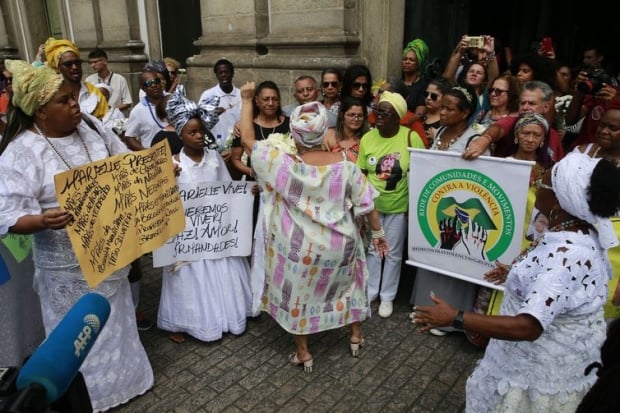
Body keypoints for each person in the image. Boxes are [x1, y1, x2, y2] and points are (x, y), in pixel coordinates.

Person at [413, 151, 620, 412]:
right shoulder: (574, 231)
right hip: (534, 358)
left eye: (543, 183)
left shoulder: (567, 256)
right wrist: (514, 272)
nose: (536, 186)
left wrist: (455, 317)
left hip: (534, 371)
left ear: (560, 200)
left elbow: (528, 326)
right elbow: (555, 282)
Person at [0, 60, 153, 411]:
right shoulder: (21, 152)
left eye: (73, 97)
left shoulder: (92, 127)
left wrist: (154, 167)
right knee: (78, 334)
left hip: (111, 251)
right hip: (67, 268)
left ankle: (129, 381)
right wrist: (41, 220)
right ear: (40, 112)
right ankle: (89, 398)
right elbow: (7, 215)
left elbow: (124, 161)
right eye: (64, 101)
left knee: (116, 321)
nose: (75, 106)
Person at [239, 82, 388, 372]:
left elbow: (246, 140)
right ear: (324, 131)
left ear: (294, 133)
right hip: (341, 245)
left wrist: (246, 100)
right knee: (351, 285)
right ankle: (355, 336)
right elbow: (367, 204)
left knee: (300, 296)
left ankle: (304, 353)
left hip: (300, 250)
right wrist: (379, 234)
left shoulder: (283, 164)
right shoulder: (347, 166)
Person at [156, 89, 253, 344]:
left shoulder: (213, 159)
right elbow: (164, 202)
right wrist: (168, 180)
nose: (199, 136)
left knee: (223, 271)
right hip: (189, 236)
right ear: (180, 135)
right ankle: (184, 322)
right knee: (188, 280)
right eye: (192, 132)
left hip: (215, 232)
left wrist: (245, 192)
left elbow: (226, 190)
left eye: (201, 131)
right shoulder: (174, 164)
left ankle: (228, 315)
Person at [410, 85, 488, 336]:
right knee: (434, 254)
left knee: (454, 259)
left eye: (448, 108)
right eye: (441, 106)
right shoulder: (441, 131)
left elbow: (481, 176)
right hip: (437, 205)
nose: (441, 112)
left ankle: (450, 318)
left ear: (465, 113)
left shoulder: (475, 139)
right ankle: (426, 307)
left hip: (461, 209)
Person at [357, 91, 425, 318]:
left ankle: (387, 297)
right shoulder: (367, 138)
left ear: (398, 116)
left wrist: (412, 207)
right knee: (373, 250)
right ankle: (371, 291)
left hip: (399, 207)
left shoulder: (410, 138)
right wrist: (364, 205)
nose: (379, 116)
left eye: (385, 113)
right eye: (377, 111)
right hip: (373, 207)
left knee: (394, 253)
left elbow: (420, 174)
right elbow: (362, 173)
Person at [576, 105, 620, 323]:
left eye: (613, 128)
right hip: (577, 245)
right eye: (602, 125)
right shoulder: (582, 152)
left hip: (612, 254)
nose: (604, 131)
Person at [463, 80, 564, 162]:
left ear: (546, 107)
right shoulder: (511, 122)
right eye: (523, 103)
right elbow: (497, 129)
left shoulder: (553, 136)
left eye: (532, 103)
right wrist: (484, 139)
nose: (525, 107)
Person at [44, 37, 109, 120]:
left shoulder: (93, 91)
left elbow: (107, 121)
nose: (74, 67)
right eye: (68, 64)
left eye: (77, 62)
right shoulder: (54, 95)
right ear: (58, 68)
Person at [124, 70, 169, 151]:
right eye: (149, 83)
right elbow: (130, 137)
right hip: (156, 157)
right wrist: (147, 153)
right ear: (143, 88)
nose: (154, 85)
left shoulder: (173, 100)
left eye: (156, 81)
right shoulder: (137, 111)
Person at [199, 59, 241, 145]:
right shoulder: (208, 95)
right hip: (215, 145)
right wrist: (211, 114)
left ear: (232, 73)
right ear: (216, 75)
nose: (224, 75)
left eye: (226, 72)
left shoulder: (242, 95)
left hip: (237, 145)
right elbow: (199, 119)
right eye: (220, 73)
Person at [322, 96, 368, 162]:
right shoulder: (329, 135)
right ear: (341, 115)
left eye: (360, 116)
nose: (356, 119)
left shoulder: (366, 138)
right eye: (351, 115)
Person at [86, 47, 133, 112]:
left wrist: (111, 110)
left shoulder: (120, 79)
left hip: (116, 118)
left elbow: (127, 103)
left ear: (105, 61)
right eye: (91, 63)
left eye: (95, 62)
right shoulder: (89, 80)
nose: (92, 65)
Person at [391, 38, 430, 114]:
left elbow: (419, 113)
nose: (407, 62)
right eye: (405, 59)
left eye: (411, 60)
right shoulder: (397, 84)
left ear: (418, 62)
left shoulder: (424, 86)